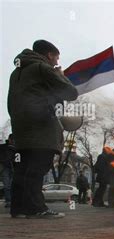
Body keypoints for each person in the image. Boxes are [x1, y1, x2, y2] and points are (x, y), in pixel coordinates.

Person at [8, 40, 78, 219]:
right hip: (42, 126)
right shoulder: (42, 68)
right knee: (38, 166)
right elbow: (71, 92)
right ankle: (36, 208)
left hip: (21, 126)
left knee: (23, 168)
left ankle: (18, 208)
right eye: (56, 58)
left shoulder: (17, 72)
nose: (56, 62)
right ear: (49, 55)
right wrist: (60, 75)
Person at [0, 134, 15, 208]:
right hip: (5, 168)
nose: (13, 141)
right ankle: (9, 201)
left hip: (13, 168)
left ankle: (11, 200)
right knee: (7, 186)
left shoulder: (16, 148)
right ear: (9, 139)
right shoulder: (3, 147)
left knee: (11, 185)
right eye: (12, 140)